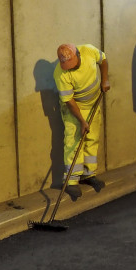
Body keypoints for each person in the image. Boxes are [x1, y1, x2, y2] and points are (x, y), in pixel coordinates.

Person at [53, 43, 110, 200]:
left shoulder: (88, 51)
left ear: (78, 54)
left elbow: (103, 60)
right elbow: (69, 101)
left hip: (93, 105)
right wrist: (82, 121)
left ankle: (88, 174)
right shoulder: (60, 73)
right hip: (74, 110)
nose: (69, 68)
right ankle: (71, 181)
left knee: (92, 139)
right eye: (66, 66)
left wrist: (105, 80)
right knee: (74, 142)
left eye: (71, 64)